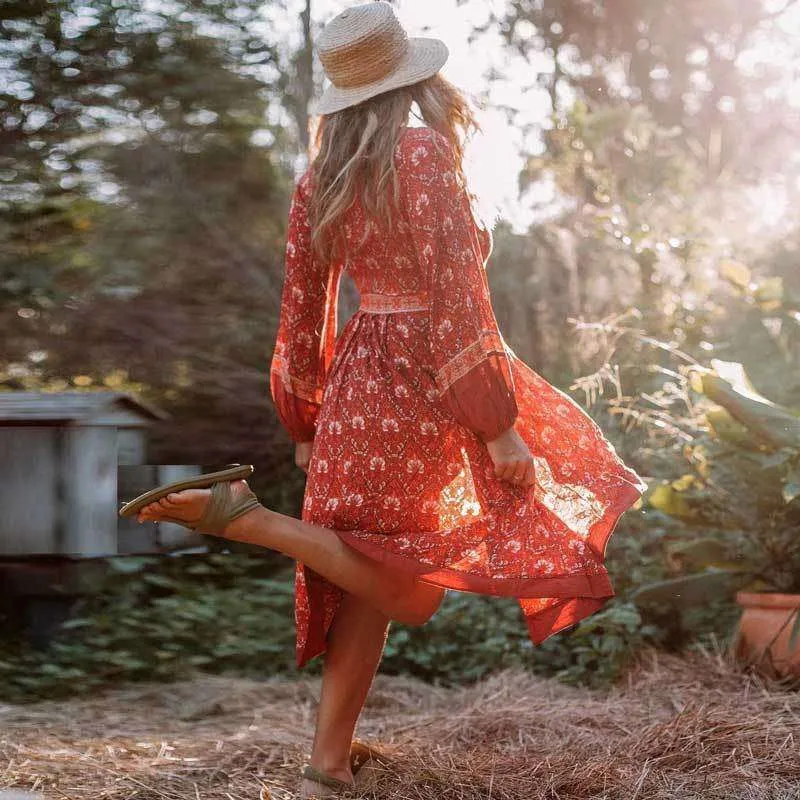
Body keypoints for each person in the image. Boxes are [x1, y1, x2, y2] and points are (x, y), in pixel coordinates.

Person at [134, 2, 647, 796]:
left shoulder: (321, 178)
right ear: (413, 76)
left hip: (355, 384)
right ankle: (248, 516)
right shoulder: (421, 153)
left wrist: (304, 415)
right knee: (406, 591)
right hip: (427, 378)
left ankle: (326, 765)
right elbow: (456, 293)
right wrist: (497, 423)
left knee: (361, 586)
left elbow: (300, 307)